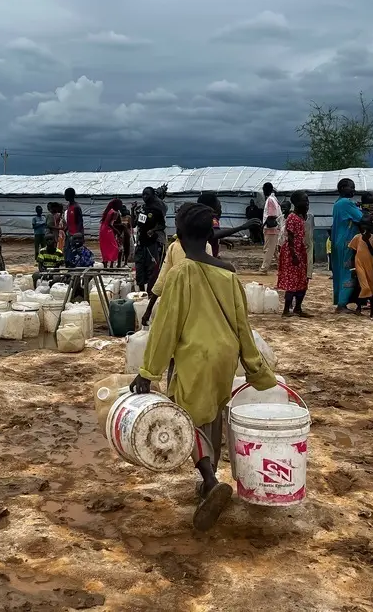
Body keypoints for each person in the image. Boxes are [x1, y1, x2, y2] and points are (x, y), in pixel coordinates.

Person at [130, 203, 276, 532]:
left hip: (194, 356)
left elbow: (166, 325)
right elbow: (242, 325)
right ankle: (210, 477)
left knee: (185, 415)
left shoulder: (182, 273)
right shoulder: (228, 273)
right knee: (212, 412)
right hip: (225, 356)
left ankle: (210, 481)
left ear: (178, 237)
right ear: (211, 234)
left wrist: (148, 372)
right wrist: (256, 368)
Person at [331, 178, 364, 312]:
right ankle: (342, 303)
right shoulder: (346, 203)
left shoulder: (337, 203)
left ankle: (341, 300)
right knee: (348, 272)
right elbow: (361, 218)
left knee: (340, 271)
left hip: (339, 240)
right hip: (348, 242)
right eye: (351, 187)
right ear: (343, 188)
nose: (354, 190)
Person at [278, 191, 311, 317]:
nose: (307, 203)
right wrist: (294, 255)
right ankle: (286, 310)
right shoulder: (292, 217)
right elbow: (290, 238)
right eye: (305, 200)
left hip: (300, 251)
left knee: (302, 281)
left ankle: (298, 308)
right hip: (292, 252)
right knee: (292, 281)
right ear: (296, 203)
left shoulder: (300, 217)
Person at [134, 187, 166, 291]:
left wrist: (153, 230)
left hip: (151, 245)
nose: (144, 197)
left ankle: (150, 293)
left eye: (147, 194)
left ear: (153, 196)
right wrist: (132, 211)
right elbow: (135, 224)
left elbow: (162, 225)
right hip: (140, 244)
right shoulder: (141, 209)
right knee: (139, 269)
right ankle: (141, 293)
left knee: (151, 270)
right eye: (143, 194)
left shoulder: (157, 211)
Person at [348, 216, 373, 316]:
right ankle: (359, 307)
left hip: (370, 266)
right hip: (359, 265)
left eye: (366, 225)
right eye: (362, 225)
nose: (364, 227)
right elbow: (353, 253)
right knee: (364, 286)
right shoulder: (357, 237)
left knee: (372, 287)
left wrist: (367, 242)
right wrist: (352, 267)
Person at [260, 182, 282, 273]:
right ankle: (283, 266)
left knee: (268, 249)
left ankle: (264, 268)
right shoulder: (275, 199)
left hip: (270, 229)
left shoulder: (270, 200)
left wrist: (263, 224)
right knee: (274, 250)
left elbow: (271, 215)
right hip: (275, 229)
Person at [63, 189, 85, 267]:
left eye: (65, 195)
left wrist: (79, 234)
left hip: (75, 235)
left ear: (70, 196)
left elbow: (80, 221)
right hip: (69, 233)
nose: (64, 196)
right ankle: (68, 268)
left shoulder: (76, 207)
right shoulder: (68, 206)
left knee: (75, 253)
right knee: (67, 252)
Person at [99, 198, 123, 268]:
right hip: (108, 230)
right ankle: (111, 265)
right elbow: (110, 224)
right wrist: (117, 231)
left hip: (102, 230)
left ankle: (105, 264)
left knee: (105, 247)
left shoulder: (108, 211)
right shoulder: (114, 213)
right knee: (114, 247)